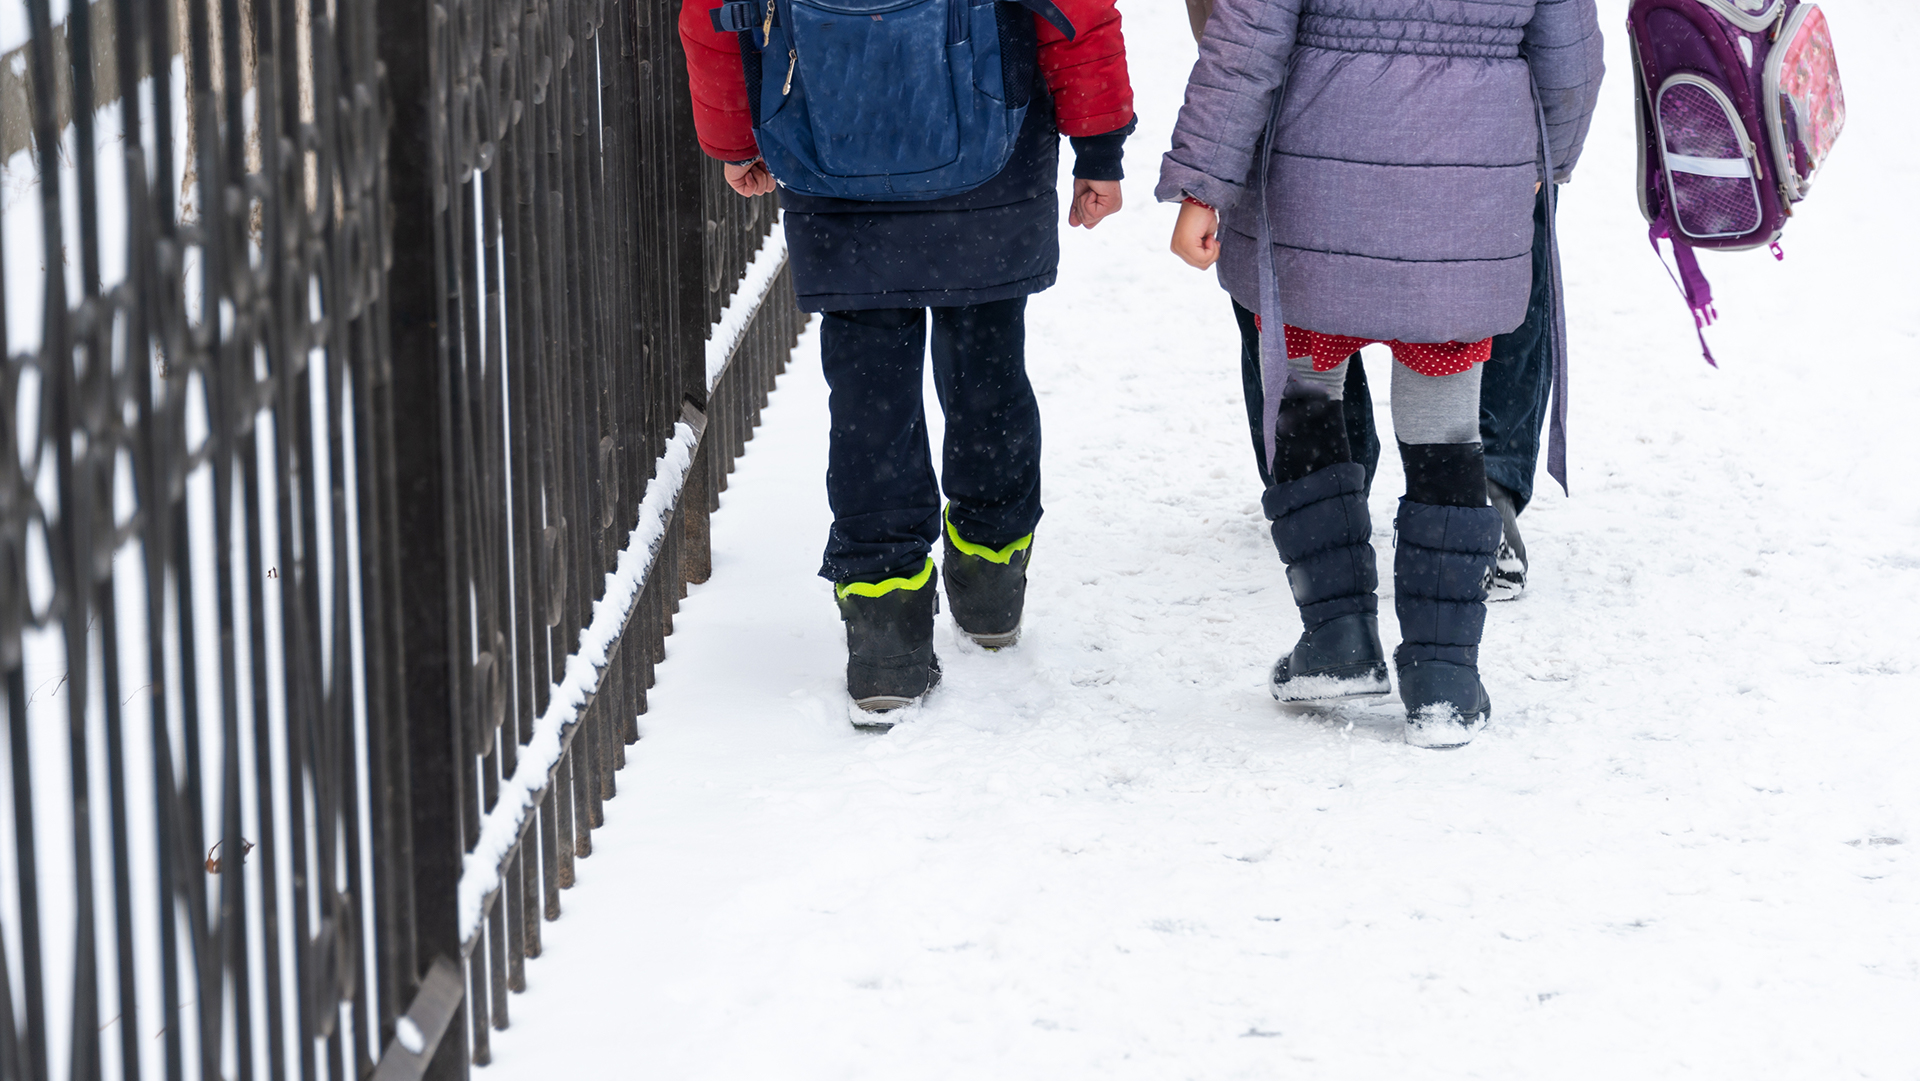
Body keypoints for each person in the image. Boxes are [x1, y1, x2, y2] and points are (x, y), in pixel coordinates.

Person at [1159, 0, 1602, 746]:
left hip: (1314, 177)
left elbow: (1245, 40)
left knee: (1303, 398)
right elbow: (1572, 53)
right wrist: (1544, 161)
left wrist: (1204, 183)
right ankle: (1445, 682)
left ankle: (1336, 638)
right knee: (1448, 429)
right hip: (1465, 186)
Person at [681, 0, 1134, 721]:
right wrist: (1100, 144)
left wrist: (739, 138)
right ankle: (990, 575)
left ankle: (884, 634)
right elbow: (1076, 11)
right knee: (988, 370)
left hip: (834, 156)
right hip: (993, 150)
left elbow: (712, 16)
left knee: (869, 396)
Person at [1184, 0, 1567, 600]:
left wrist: (1206, 170)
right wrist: (1550, 154)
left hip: (1315, 84)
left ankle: (1337, 505)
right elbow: (1570, 53)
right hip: (1376, 85)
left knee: (1307, 272)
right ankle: (1425, 500)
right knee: (1466, 266)